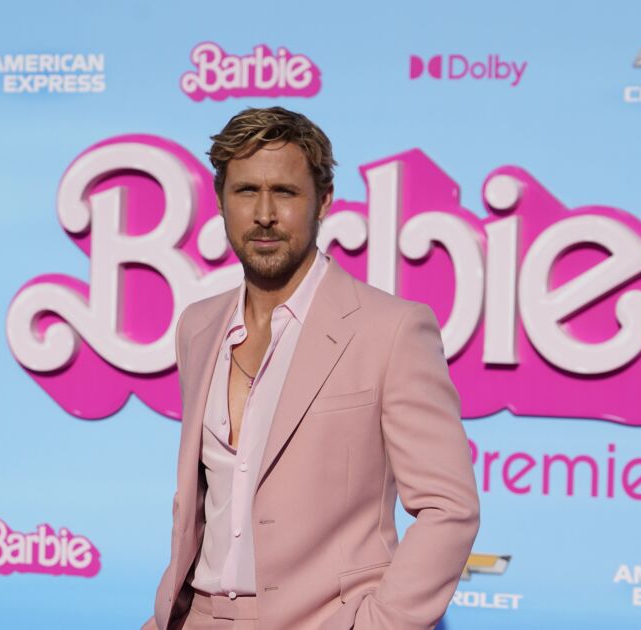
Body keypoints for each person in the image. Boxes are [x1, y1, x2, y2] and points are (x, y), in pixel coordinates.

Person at [143, 107, 479, 630]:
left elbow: (448, 506)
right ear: (221, 200)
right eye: (246, 191)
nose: (264, 214)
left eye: (285, 192)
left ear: (323, 200)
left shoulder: (390, 329)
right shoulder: (198, 326)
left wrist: (380, 624)